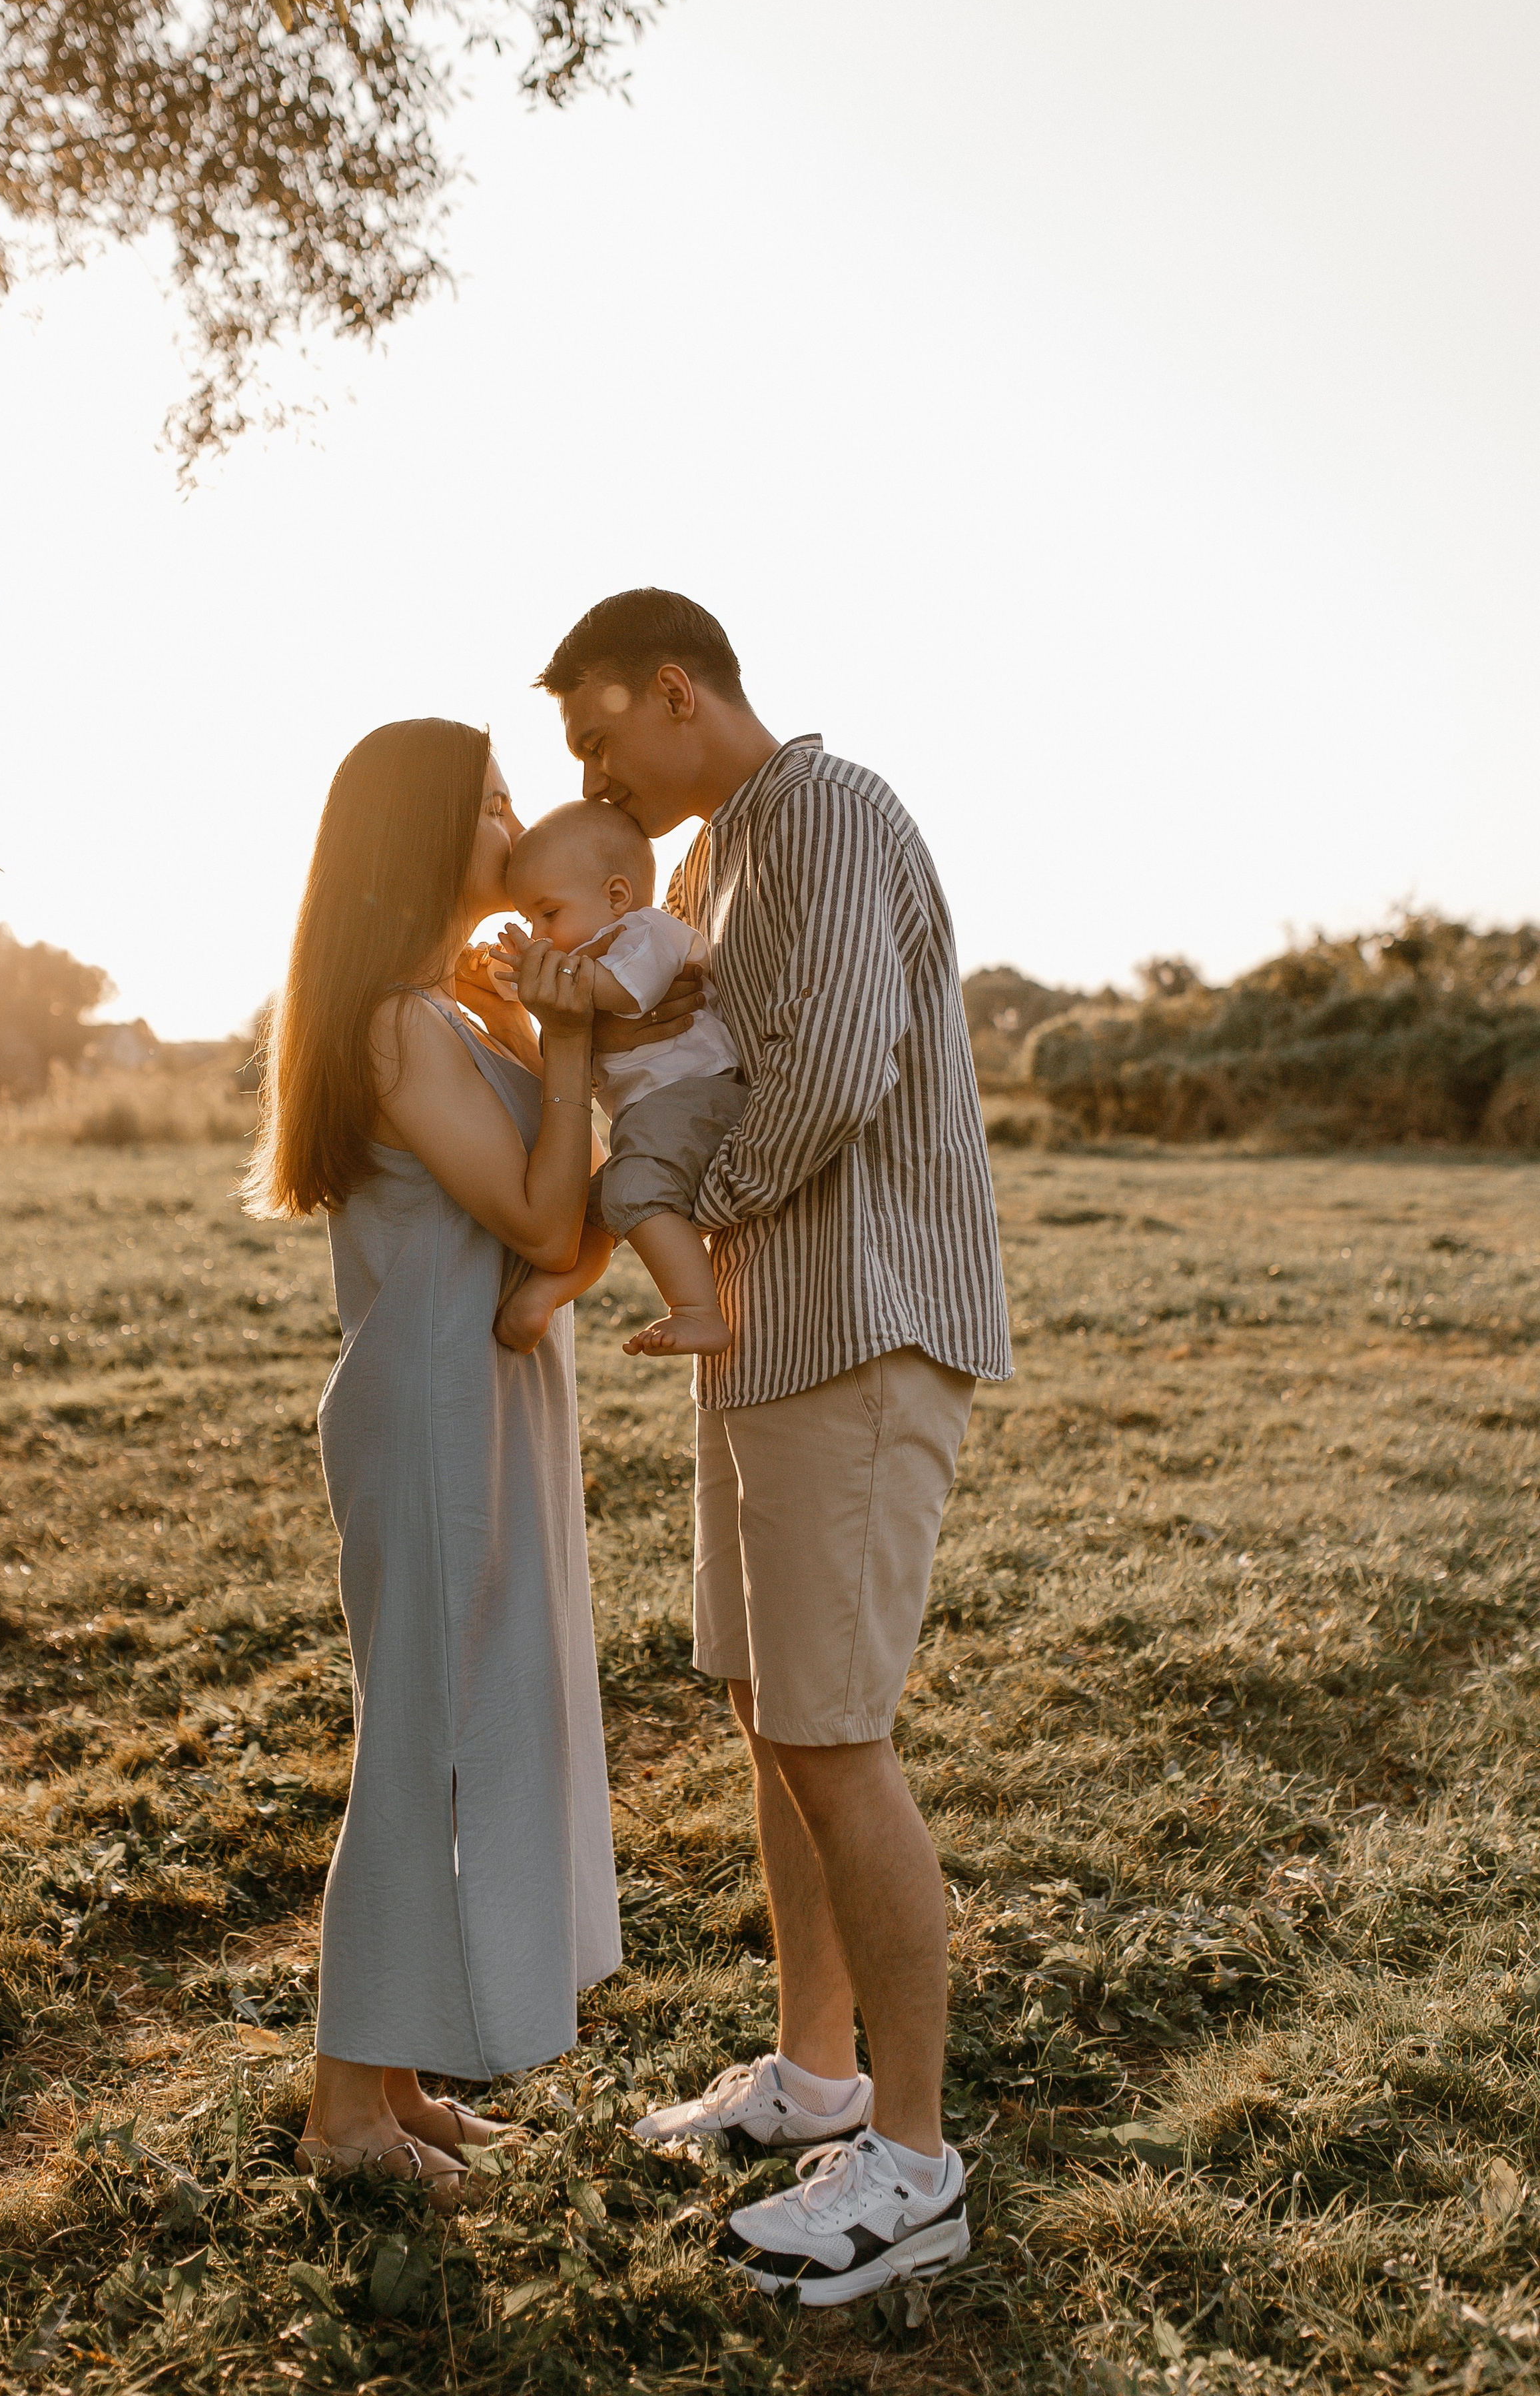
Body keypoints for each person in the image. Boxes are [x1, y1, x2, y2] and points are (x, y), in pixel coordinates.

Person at [537, 588, 1012, 2306]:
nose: (588, 766)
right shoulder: (709, 862)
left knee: (832, 1729)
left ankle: (912, 2154)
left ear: (675, 689)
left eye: (597, 731)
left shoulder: (816, 810)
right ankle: (813, 2072)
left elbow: (828, 1070)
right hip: (772, 1338)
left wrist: (693, 1216)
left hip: (860, 1321)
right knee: (767, 1716)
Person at [244, 718, 621, 2196]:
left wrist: (535, 1032)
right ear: (413, 840)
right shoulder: (400, 1027)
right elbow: (542, 1225)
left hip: (488, 1394)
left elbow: (571, 1201)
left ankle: (394, 2081)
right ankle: (345, 2114)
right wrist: (574, 1033)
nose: (516, 829)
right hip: (429, 1407)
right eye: (488, 805)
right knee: (421, 1736)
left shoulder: (447, 1018)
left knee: (455, 1726)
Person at [492, 797, 750, 1359]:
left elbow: (624, 993)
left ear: (615, 895)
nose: (539, 933)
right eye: (531, 920)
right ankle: (545, 1294)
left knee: (633, 1188)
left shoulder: (646, 932)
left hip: (697, 1097)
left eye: (549, 914)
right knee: (591, 1208)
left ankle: (699, 1312)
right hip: (655, 1115)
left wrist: (550, 980)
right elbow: (571, 1051)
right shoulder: (589, 956)